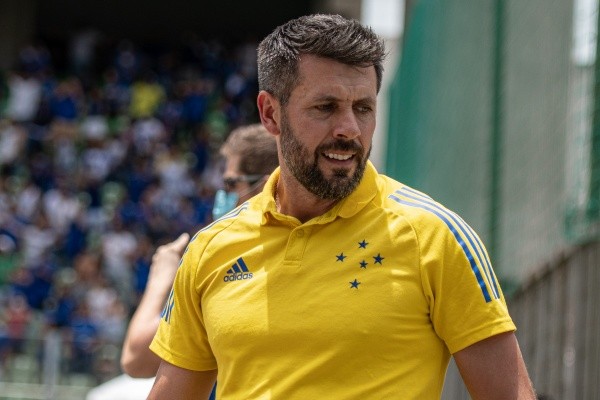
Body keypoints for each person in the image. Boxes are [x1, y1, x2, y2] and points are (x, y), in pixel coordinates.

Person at [147, 14, 537, 399]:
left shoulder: (434, 236)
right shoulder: (210, 248)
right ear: (270, 114)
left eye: (363, 108)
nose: (349, 128)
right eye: (326, 107)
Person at [85, 124, 278, 400]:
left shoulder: (230, 256)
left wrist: (160, 278)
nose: (222, 196)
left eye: (231, 184)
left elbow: (136, 358)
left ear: (266, 183)